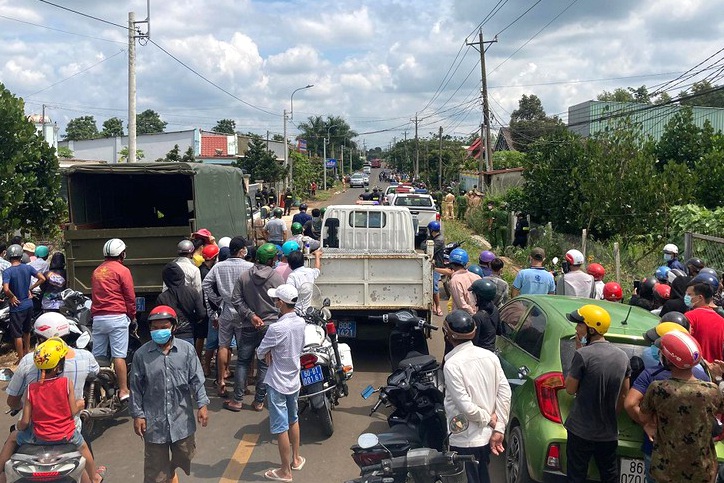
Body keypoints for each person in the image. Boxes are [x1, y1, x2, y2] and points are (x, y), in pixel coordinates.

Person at [1, 313, 102, 483]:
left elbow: (15, 407)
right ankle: (94, 477)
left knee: (9, 458)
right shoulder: (83, 360)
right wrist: (79, 403)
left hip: (36, 433)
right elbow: (95, 374)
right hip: (69, 431)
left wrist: (20, 423)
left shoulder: (28, 366)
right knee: (83, 455)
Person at [130, 306, 209, 483]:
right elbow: (135, 388)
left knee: (185, 455)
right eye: (154, 328)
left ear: (174, 327)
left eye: (163, 327)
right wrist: (138, 415)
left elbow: (197, 379)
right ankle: (163, 474)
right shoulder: (141, 355)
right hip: (154, 423)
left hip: (181, 420)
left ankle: (170, 471)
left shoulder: (186, 350)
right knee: (155, 472)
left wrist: (202, 404)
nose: (159, 331)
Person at [625, 322, 708, 483]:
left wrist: (647, 424)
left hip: (656, 450)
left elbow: (629, 403)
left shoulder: (651, 377)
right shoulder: (703, 380)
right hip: (691, 454)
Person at [639, 331, 723, 483]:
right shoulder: (711, 390)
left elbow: (643, 416)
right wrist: (718, 377)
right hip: (702, 471)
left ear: (669, 360)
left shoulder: (658, 388)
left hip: (666, 471)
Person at [564, 305, 631, 483]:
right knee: (609, 475)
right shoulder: (622, 357)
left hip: (580, 431)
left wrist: (578, 352)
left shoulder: (583, 355)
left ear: (591, 329)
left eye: (579, 325)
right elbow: (625, 393)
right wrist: (612, 415)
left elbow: (570, 389)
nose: (577, 329)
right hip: (608, 432)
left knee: (576, 475)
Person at [442, 310, 511, 483]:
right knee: (482, 475)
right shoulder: (490, 357)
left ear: (447, 335)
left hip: (464, 439)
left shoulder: (451, 365)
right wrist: (499, 427)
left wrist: (491, 421)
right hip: (486, 436)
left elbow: (466, 406)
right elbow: (505, 392)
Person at [256, 284, 307, 482]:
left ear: (282, 303)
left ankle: (285, 471)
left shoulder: (276, 328)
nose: (275, 302)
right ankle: (295, 458)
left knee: (280, 427)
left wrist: (268, 352)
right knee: (293, 419)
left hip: (277, 381)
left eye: (276, 300)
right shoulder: (301, 322)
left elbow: (261, 352)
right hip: (294, 379)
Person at [228, 243, 284, 412]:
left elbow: (235, 300)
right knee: (265, 364)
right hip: (270, 326)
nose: (276, 260)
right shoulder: (277, 278)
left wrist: (251, 316)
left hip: (248, 325)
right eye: (274, 257)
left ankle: (237, 400)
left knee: (243, 362)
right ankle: (259, 402)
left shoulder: (244, 276)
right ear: (270, 259)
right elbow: (282, 302)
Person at [202, 237, 253, 399]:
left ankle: (221, 382)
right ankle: (243, 385)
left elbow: (206, 284)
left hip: (225, 311)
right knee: (244, 349)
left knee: (223, 346)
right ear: (241, 251)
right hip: (244, 312)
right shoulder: (250, 267)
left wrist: (218, 300)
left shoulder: (219, 266)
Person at [90, 238, 135, 402]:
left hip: (98, 319)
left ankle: (101, 389)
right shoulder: (123, 271)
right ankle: (123, 390)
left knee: (98, 357)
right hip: (117, 317)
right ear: (122, 254)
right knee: (118, 356)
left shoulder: (97, 271)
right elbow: (130, 297)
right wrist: (133, 315)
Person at [2, 244, 46, 362]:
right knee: (27, 331)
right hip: (29, 304)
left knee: (17, 334)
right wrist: (30, 288)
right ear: (21, 256)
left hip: (17, 306)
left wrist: (11, 296)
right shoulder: (28, 268)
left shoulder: (7, 272)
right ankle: (27, 353)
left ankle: (21, 359)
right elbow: (42, 278)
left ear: (9, 257)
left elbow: (6, 289)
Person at [156, 263, 205, 346]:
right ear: (181, 275)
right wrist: (193, 320)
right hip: (188, 333)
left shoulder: (162, 297)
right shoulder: (192, 292)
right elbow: (201, 313)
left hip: (169, 335)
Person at [685, 281, 724, 363]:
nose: (686, 297)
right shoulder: (722, 321)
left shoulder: (690, 316)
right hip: (714, 372)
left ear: (700, 298)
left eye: (689, 294)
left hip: (693, 368)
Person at [196, 245, 219, 360]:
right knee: (209, 338)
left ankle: (199, 359)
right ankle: (203, 361)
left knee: (201, 336)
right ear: (214, 258)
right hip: (207, 307)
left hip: (202, 306)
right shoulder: (208, 273)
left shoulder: (200, 269)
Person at [468, 279, 501, 352]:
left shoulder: (477, 317)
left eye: (474, 294)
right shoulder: (495, 309)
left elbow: (474, 343)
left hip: (480, 353)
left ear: (479, 297)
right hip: (491, 351)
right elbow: (499, 331)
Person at [448, 248, 481, 317]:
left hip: (463, 317)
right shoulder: (476, 276)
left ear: (451, 263)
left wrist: (473, 314)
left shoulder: (454, 280)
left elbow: (461, 304)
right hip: (479, 313)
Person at [428, 221, 445, 317]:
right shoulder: (433, 238)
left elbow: (428, 248)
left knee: (434, 287)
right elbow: (422, 244)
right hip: (432, 265)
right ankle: (434, 306)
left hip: (437, 265)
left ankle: (438, 307)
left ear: (431, 230)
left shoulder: (439, 240)